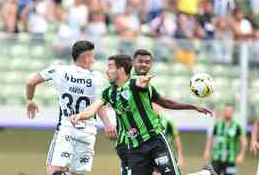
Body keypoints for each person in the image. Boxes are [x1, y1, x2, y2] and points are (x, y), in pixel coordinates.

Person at [71, 54, 214, 175]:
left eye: (110, 67)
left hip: (155, 140)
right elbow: (93, 109)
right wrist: (79, 116)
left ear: (120, 70)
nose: (106, 70)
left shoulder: (135, 83)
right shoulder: (108, 92)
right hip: (135, 147)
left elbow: (165, 103)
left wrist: (193, 106)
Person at [25, 40, 116, 175]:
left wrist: (30, 100)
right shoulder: (97, 78)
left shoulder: (59, 70)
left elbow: (30, 82)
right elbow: (99, 104)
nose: (94, 60)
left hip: (66, 129)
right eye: (92, 56)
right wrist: (108, 124)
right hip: (88, 133)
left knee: (54, 171)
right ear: (86, 58)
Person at [204, 104, 247, 175]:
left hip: (231, 159)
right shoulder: (217, 124)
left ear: (233, 112)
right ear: (223, 112)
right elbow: (211, 138)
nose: (228, 112)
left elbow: (244, 141)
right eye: (227, 111)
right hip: (217, 158)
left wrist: (241, 155)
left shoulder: (237, 126)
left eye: (230, 111)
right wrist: (207, 150)